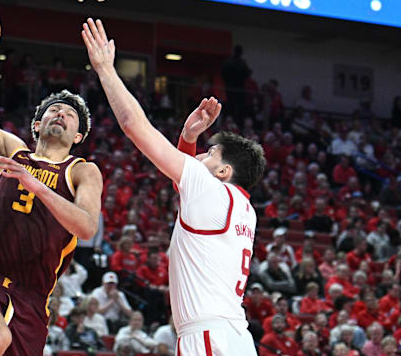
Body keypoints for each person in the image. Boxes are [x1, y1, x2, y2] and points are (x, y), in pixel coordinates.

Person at [82, 18, 265, 355]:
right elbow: (186, 188)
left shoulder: (212, 193)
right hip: (230, 335)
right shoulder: (241, 207)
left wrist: (106, 70)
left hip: (208, 338)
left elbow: (133, 126)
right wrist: (189, 138)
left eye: (210, 153)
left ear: (224, 170)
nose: (200, 157)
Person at [0, 13, 103, 355]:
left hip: (33, 298)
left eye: (69, 114)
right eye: (54, 110)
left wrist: (40, 187)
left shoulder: (81, 171)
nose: (60, 114)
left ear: (77, 136)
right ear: (36, 124)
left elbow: (87, 227)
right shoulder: (11, 151)